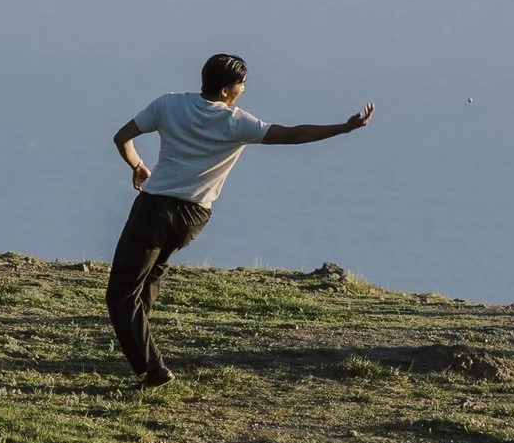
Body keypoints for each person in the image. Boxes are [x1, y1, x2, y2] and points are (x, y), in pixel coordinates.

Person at [107, 52, 373, 386]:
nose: (244, 88)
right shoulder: (236, 123)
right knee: (149, 279)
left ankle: (152, 368)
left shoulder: (168, 105)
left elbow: (122, 137)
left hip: (154, 209)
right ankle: (138, 339)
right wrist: (344, 129)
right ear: (224, 91)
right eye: (241, 83)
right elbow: (293, 135)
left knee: (121, 293)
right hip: (194, 217)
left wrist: (137, 166)